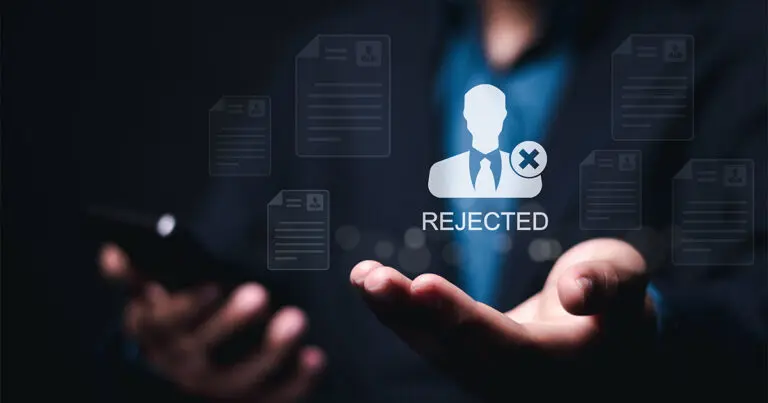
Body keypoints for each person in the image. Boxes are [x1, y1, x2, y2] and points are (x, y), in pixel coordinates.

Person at [96, 0, 766, 402]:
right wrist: (171, 341)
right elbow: (222, 265)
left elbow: (751, 314)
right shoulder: (335, 58)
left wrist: (646, 322)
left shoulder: (734, 47)